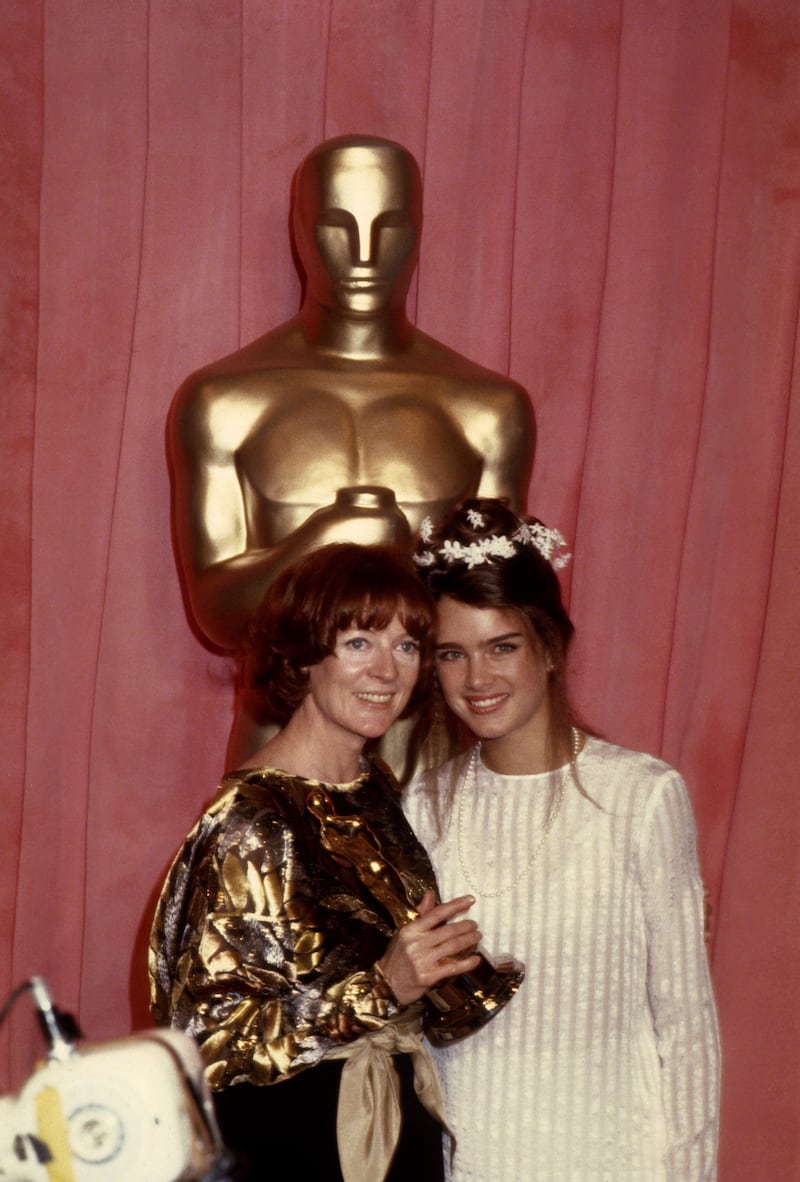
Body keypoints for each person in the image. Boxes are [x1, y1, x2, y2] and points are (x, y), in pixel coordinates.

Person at [168, 134, 534, 771]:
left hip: (429, 765)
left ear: (418, 234)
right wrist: (325, 539)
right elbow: (218, 615)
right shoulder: (225, 399)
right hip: (285, 760)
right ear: (300, 232)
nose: (364, 255)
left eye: (389, 228)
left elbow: (488, 613)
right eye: (338, 226)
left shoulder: (487, 409)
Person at [404, 499, 721, 1182]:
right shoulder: (423, 807)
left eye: (502, 647)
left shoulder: (642, 796)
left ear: (549, 648)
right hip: (475, 1165)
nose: (477, 679)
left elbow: (688, 1031)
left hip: (615, 1161)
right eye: (452, 655)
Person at [148, 542, 484, 1182]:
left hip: (391, 1123)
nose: (388, 670)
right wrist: (380, 988)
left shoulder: (372, 784)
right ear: (305, 655)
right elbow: (206, 1045)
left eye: (407, 646)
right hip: (299, 1147)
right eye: (360, 642)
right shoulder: (252, 818)